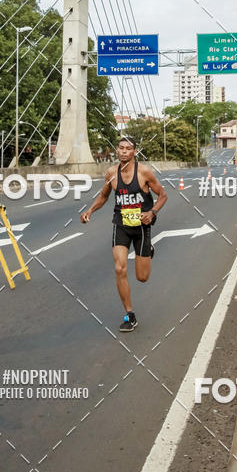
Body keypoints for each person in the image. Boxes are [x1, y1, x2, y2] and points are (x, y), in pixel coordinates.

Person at [80, 136, 168, 332]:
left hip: (142, 226)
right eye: (121, 148)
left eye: (128, 149)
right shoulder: (111, 173)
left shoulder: (144, 172)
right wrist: (90, 211)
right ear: (117, 151)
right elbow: (103, 196)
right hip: (120, 224)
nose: (124, 151)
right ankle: (130, 315)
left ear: (134, 152)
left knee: (142, 277)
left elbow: (163, 195)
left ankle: (148, 249)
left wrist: (152, 212)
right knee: (120, 268)